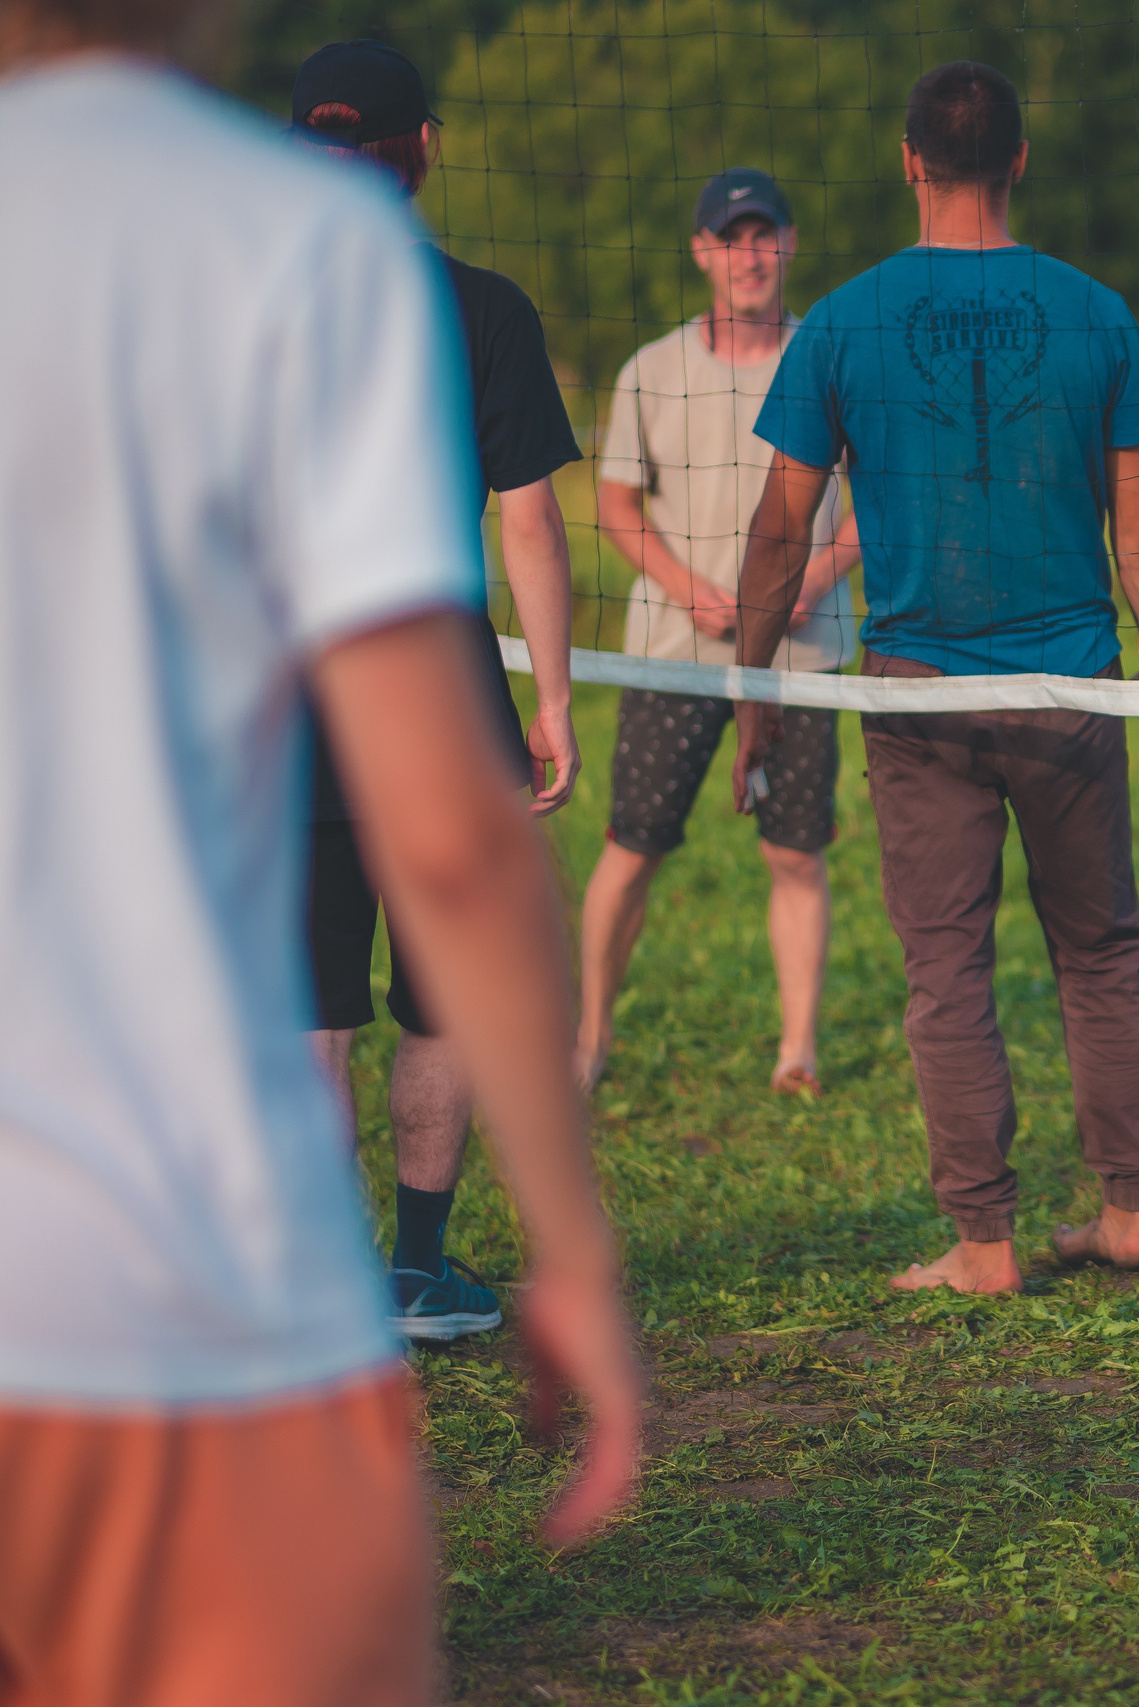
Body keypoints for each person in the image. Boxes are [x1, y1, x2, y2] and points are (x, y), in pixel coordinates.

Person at [0, 4, 640, 1702]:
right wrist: (576, 1250)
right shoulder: (330, 266)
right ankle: (412, 1262)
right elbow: (510, 580)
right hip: (187, 1316)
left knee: (302, 987)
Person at [732, 60, 1139, 1295]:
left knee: (947, 969)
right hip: (1076, 690)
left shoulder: (843, 318)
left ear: (909, 159)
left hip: (920, 692)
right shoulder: (1096, 311)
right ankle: (1125, 1211)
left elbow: (781, 528)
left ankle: (984, 1241)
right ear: (1022, 161)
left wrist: (749, 683)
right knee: (1101, 953)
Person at [290, 40, 585, 1340]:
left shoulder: (240, 308)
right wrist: (558, 697)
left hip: (286, 698)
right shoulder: (484, 309)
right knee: (440, 997)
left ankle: (314, 1281)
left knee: (311, 1007)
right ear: (428, 147)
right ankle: (416, 1270)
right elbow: (529, 524)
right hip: (441, 694)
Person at [576, 168, 863, 1097]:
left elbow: (880, 501)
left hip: (801, 655)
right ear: (702, 250)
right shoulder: (652, 370)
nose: (750, 254)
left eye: (764, 233)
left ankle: (797, 1053)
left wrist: (813, 576)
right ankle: (589, 1035)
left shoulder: (830, 356)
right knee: (634, 844)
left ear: (790, 241)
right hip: (675, 653)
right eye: (730, 237)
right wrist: (686, 587)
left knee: (795, 852)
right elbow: (614, 500)